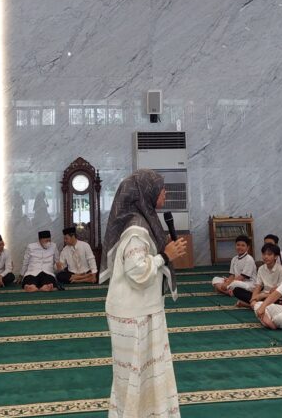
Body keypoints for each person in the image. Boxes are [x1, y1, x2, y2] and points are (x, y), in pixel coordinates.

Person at [101, 169, 186, 418]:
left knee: (147, 375)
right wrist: (165, 256)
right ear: (147, 192)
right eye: (161, 188)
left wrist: (164, 255)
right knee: (135, 377)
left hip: (142, 309)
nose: (165, 192)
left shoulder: (143, 220)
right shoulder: (136, 229)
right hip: (133, 315)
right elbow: (137, 271)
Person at [237, 243, 282, 308]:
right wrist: (253, 299)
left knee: (276, 300)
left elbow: (281, 292)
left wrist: (262, 295)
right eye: (264, 254)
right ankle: (255, 305)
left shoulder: (281, 270)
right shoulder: (261, 268)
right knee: (237, 290)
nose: (266, 257)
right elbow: (258, 286)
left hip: (274, 297)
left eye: (269, 254)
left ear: (276, 257)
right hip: (262, 296)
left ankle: (250, 305)